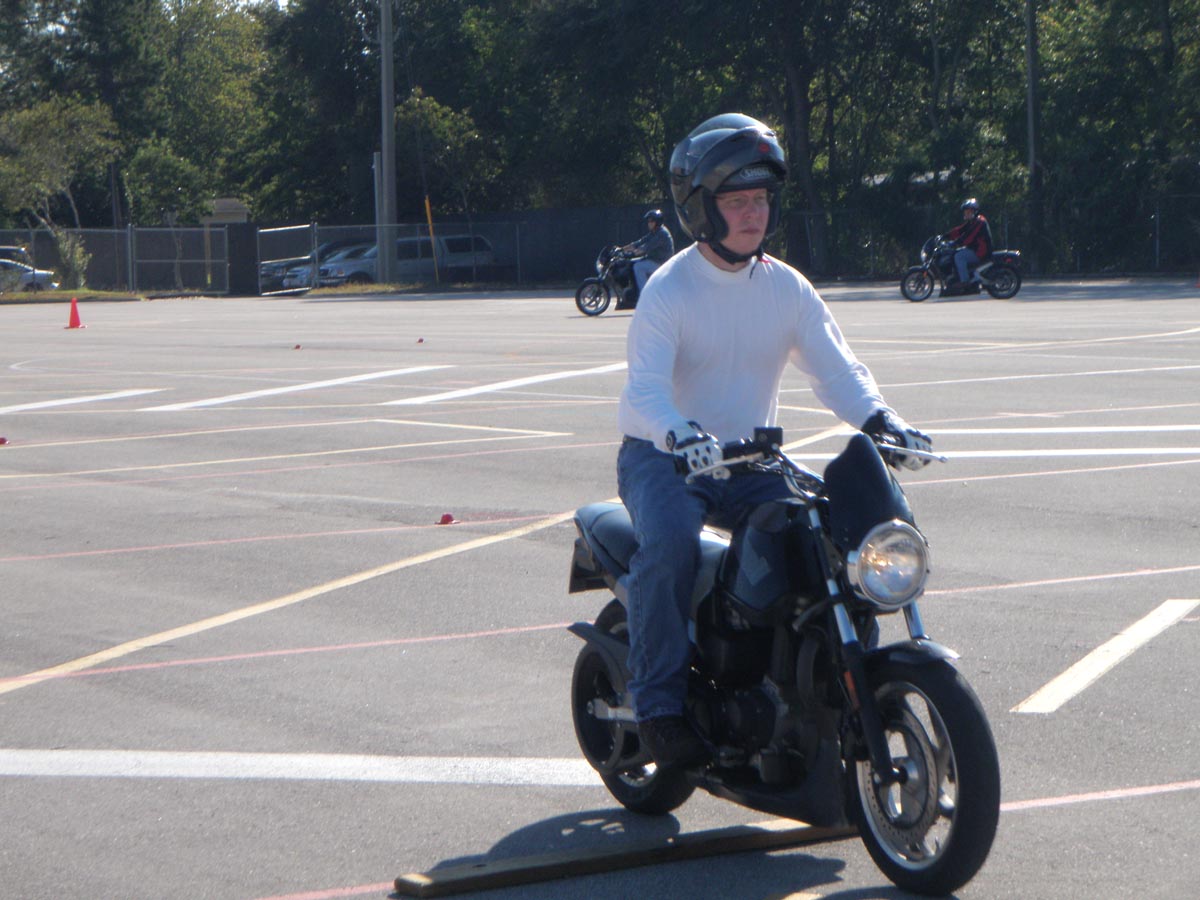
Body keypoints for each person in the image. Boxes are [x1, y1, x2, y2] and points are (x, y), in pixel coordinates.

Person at [615, 113, 934, 769]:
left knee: (831, 536)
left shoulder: (786, 287)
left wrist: (881, 421)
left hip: (752, 461)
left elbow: (838, 371)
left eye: (760, 199)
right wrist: (679, 431)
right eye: (736, 201)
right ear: (702, 210)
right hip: (664, 458)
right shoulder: (669, 290)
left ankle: (834, 687)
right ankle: (658, 708)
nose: (753, 213)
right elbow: (642, 393)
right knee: (670, 546)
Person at [621, 208, 675, 293]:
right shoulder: (654, 232)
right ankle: (633, 289)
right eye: (648, 221)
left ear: (658, 222)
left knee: (638, 267)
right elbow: (639, 242)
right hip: (653, 260)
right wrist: (621, 249)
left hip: (662, 263)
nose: (649, 223)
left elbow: (645, 248)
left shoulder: (662, 234)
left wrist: (630, 254)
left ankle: (644, 293)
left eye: (651, 221)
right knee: (630, 263)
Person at [944, 198, 992, 291]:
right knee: (955, 253)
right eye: (965, 211)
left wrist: (956, 243)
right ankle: (958, 277)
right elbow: (960, 230)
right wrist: (946, 235)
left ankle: (964, 281)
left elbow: (969, 237)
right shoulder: (973, 222)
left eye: (968, 211)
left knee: (959, 256)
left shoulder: (979, 222)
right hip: (975, 250)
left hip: (981, 252)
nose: (966, 213)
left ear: (975, 211)